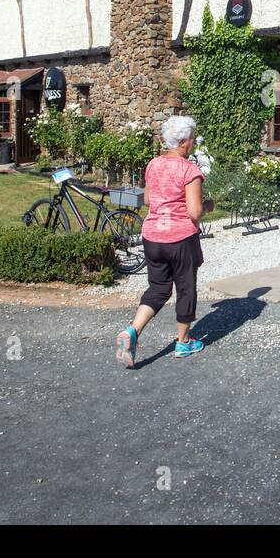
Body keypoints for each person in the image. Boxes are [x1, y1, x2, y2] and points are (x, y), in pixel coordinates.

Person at [115, 115, 213, 368]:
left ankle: (133, 331)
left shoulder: (153, 164)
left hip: (152, 237)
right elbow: (194, 212)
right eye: (191, 138)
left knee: (158, 289)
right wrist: (208, 206)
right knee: (185, 288)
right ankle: (183, 341)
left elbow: (148, 200)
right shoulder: (189, 170)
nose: (193, 143)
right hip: (180, 238)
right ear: (182, 142)